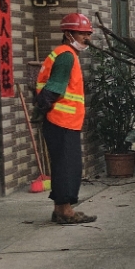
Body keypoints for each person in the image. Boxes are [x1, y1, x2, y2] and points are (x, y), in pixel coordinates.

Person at [34, 13, 96, 225]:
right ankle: (66, 211)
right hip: (61, 121)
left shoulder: (64, 54)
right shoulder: (67, 56)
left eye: (88, 33)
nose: (86, 38)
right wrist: (42, 108)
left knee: (62, 166)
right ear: (69, 34)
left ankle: (60, 208)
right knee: (68, 168)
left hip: (62, 122)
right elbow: (54, 89)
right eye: (82, 33)